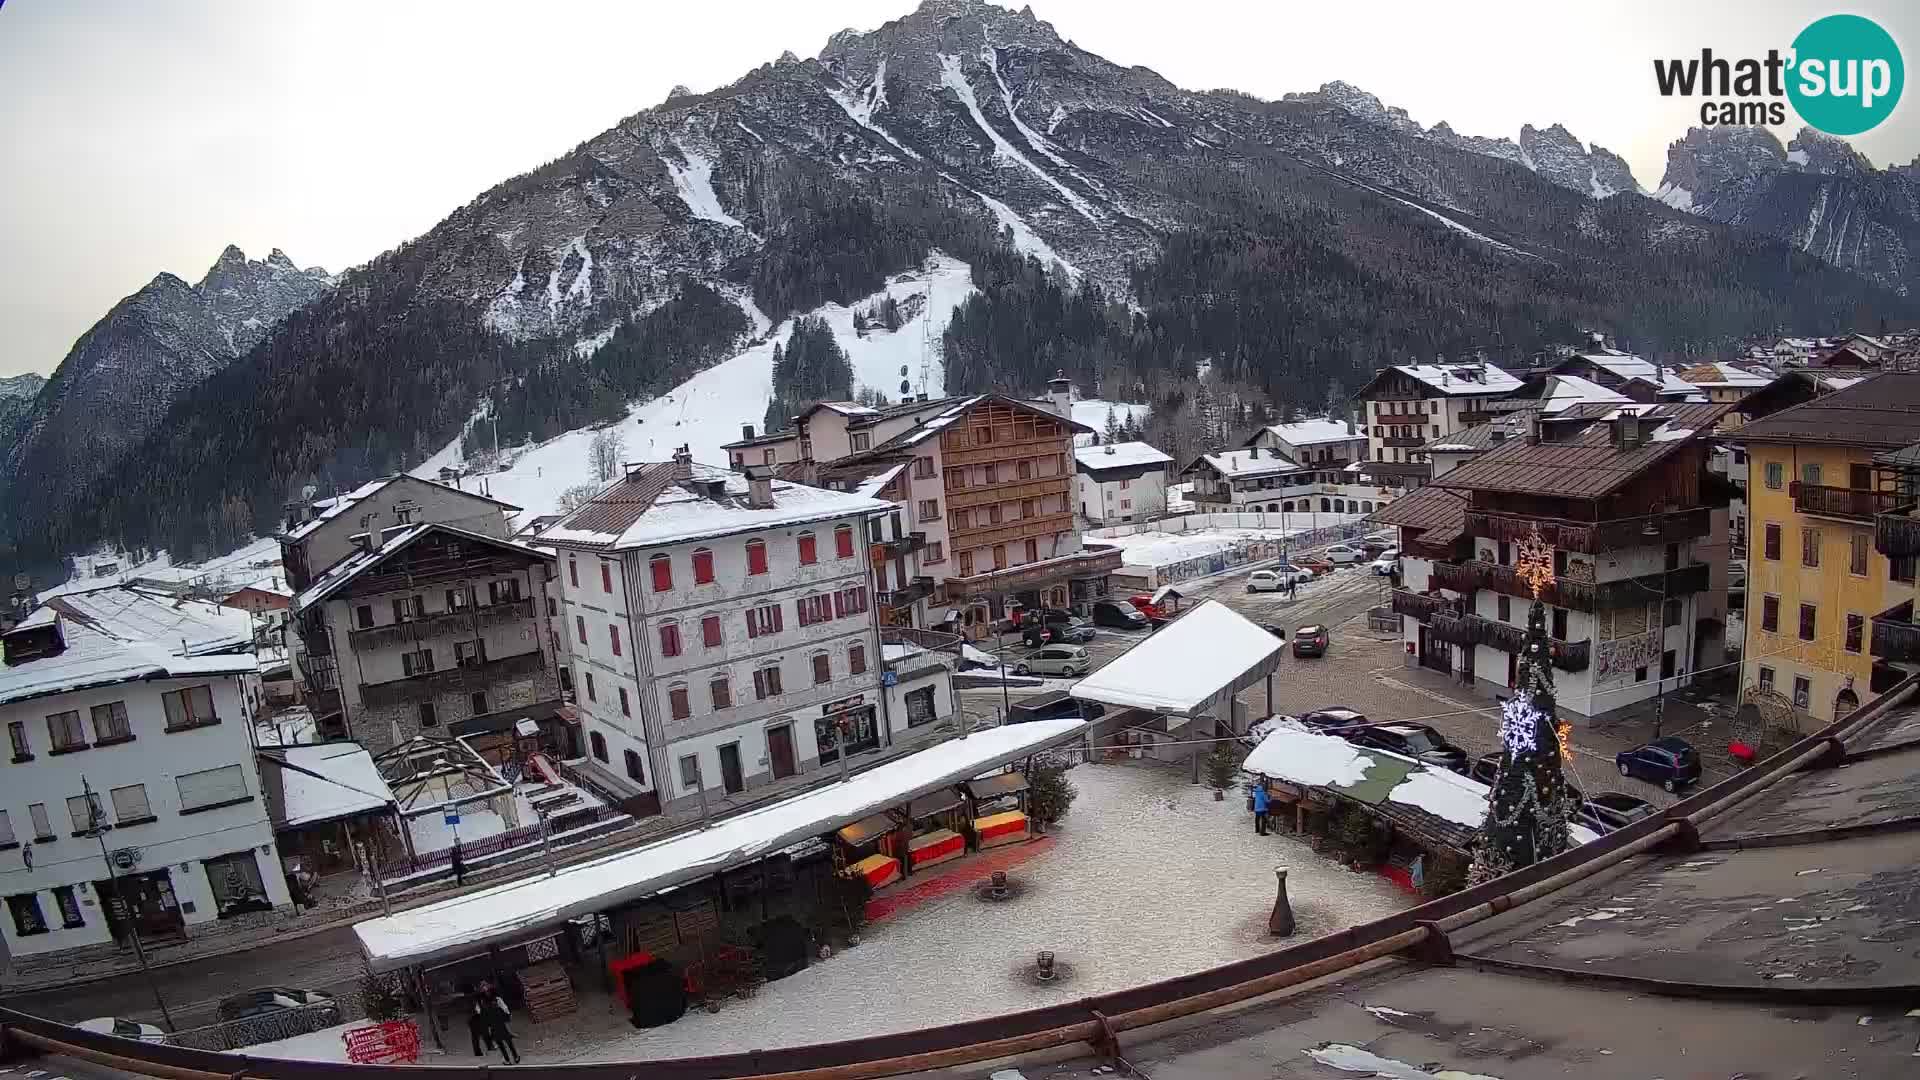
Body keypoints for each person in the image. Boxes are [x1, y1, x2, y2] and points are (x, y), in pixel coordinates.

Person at [478, 987, 519, 1065]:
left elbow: (482, 1015)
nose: (487, 993)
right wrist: (508, 1016)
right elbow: (505, 1009)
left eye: (487, 991)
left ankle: (509, 1059)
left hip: (494, 1024)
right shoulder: (496, 999)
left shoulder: (484, 1003)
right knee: (507, 1041)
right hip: (499, 1024)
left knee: (502, 1043)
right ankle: (515, 1057)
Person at [466, 981, 494, 1057]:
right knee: (477, 1036)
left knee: (482, 1034)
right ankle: (480, 1051)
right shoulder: (473, 996)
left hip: (476, 1018)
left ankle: (488, 1048)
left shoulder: (475, 997)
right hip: (474, 1019)